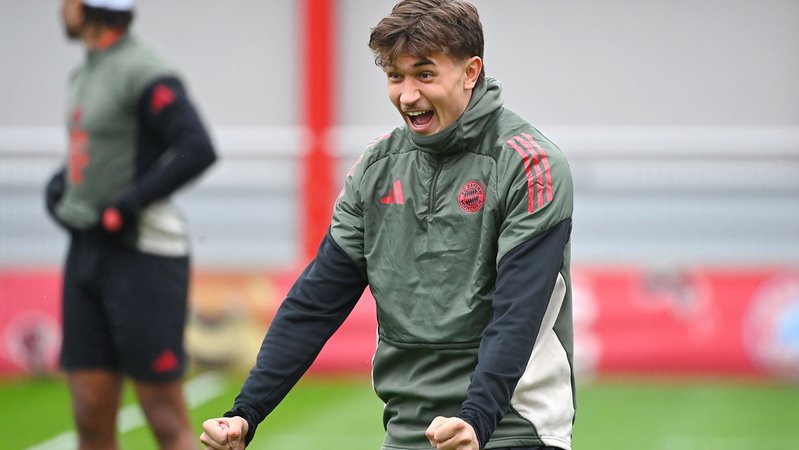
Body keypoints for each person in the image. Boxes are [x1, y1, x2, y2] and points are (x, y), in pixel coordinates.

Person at [200, 0, 574, 449]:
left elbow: (517, 313)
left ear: (471, 71)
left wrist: (476, 419)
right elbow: (315, 303)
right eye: (395, 76)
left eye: (424, 74)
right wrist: (246, 411)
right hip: (407, 431)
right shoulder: (376, 167)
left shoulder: (528, 164)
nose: (408, 95)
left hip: (513, 427)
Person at [45, 0, 217, 449]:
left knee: (163, 417)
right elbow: (106, 153)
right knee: (88, 414)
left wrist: (125, 206)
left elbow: (197, 147)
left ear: (87, 8)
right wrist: (63, 186)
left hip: (144, 257)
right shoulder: (87, 70)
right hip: (87, 254)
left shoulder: (144, 69)